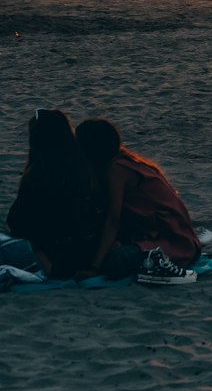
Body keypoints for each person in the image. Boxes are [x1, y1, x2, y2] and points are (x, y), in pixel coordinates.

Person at [75, 119, 200, 286]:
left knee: (114, 261)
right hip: (151, 233)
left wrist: (94, 267)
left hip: (172, 240)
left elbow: (113, 219)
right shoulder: (120, 162)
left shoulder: (116, 169)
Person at [6, 109, 106, 278]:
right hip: (89, 249)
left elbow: (17, 222)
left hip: (57, 254)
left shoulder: (38, 173)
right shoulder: (83, 167)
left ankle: (49, 267)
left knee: (24, 227)